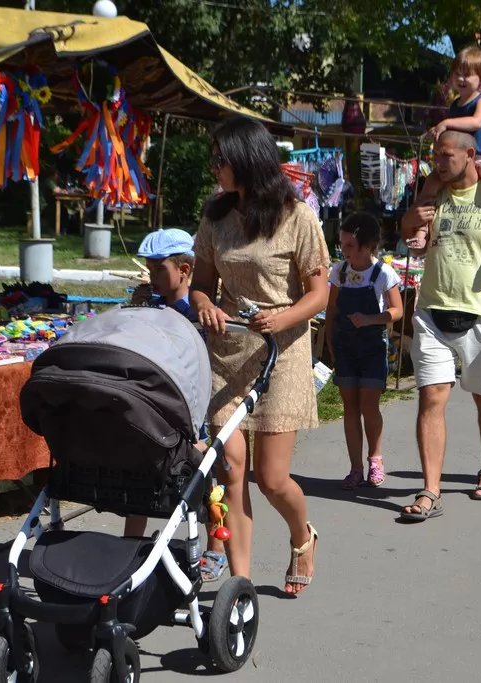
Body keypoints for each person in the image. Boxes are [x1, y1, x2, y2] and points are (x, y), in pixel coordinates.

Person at [191, 115, 330, 596]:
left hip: (281, 353)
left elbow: (319, 294)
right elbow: (200, 285)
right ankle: (240, 585)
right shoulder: (215, 215)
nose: (214, 167)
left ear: (248, 161)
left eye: (221, 159)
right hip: (227, 354)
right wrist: (205, 305)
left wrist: (283, 317)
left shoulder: (298, 216)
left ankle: (302, 535)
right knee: (231, 472)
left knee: (271, 478)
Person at [397, 130, 481, 521]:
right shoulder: (433, 191)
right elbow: (410, 235)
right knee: (431, 397)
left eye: (446, 156)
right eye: (435, 156)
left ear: (470, 154)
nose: (438, 163)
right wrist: (412, 220)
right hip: (432, 309)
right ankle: (431, 490)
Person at [123, 228, 229, 581]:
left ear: (184, 270)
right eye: (149, 269)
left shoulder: (199, 311)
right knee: (142, 471)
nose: (151, 277)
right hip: (159, 400)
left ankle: (216, 548)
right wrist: (137, 310)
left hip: (195, 403)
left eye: (159, 270)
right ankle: (129, 544)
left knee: (208, 478)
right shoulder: (152, 305)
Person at [410, 46, 481, 253]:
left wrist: (446, 123)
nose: (461, 79)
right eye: (457, 74)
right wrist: (439, 133)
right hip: (458, 161)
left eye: (467, 75)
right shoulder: (455, 104)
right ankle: (422, 230)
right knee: (431, 182)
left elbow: (476, 122)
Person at [325, 213, 403, 489]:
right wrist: (330, 343)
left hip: (372, 347)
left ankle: (375, 458)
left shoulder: (384, 273)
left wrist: (371, 319)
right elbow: (332, 309)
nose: (344, 250)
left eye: (350, 245)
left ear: (368, 246)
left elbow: (397, 310)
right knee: (350, 407)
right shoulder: (339, 272)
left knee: (369, 405)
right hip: (345, 346)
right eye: (342, 244)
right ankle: (355, 468)